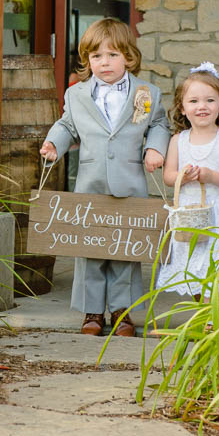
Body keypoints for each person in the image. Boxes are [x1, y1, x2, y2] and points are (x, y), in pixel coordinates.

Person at [39, 18, 171, 337]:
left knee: (126, 250)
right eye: (96, 56)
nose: (104, 62)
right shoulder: (78, 95)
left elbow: (157, 125)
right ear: (87, 60)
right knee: (91, 249)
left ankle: (123, 312)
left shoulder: (143, 94)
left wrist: (154, 149)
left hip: (129, 184)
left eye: (112, 55)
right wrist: (53, 143)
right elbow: (68, 126)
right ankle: (92, 311)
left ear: (128, 56)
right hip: (91, 184)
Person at [156, 63, 219, 299]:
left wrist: (212, 176)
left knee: (215, 267)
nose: (202, 106)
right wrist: (183, 177)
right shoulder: (178, 141)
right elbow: (168, 177)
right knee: (193, 266)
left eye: (210, 101)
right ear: (182, 108)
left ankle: (212, 317)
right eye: (193, 101)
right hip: (189, 215)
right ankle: (200, 313)